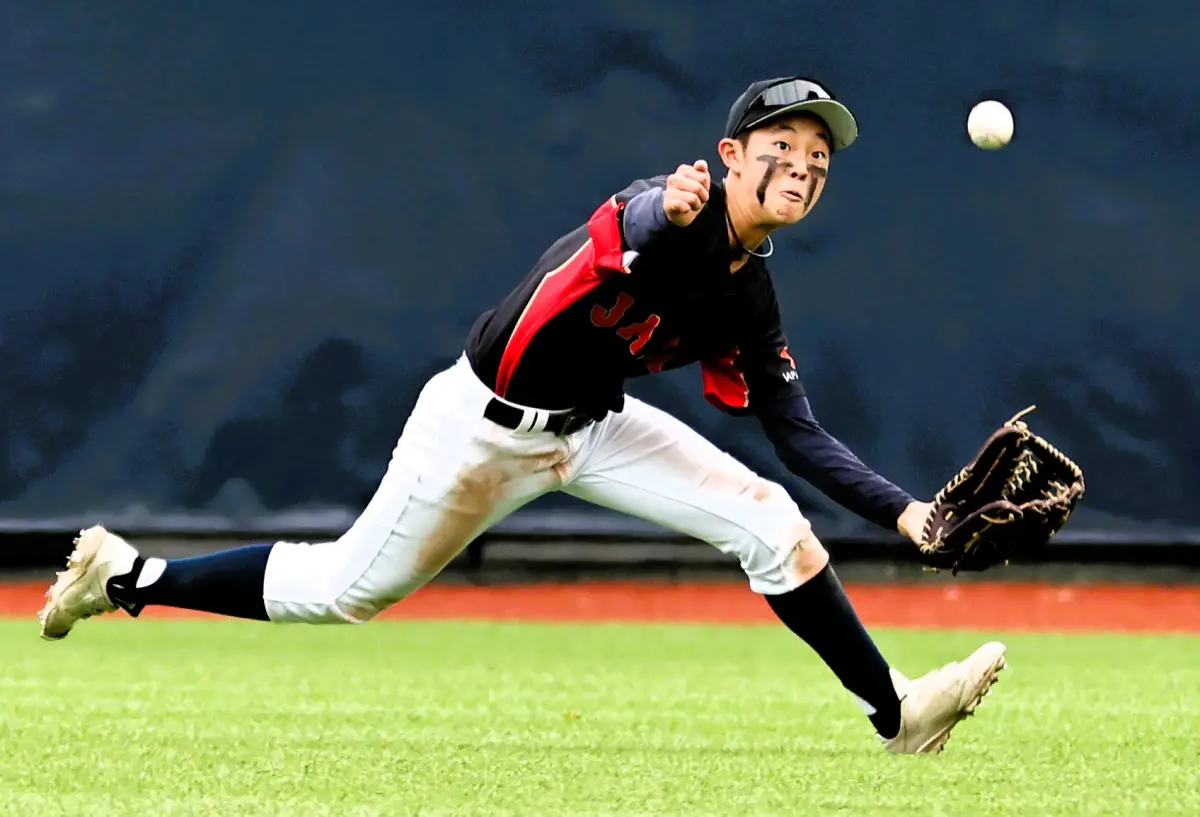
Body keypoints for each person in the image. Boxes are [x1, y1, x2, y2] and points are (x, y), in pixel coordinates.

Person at [38, 75, 1006, 755]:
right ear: (729, 154)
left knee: (773, 522)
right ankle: (128, 574)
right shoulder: (665, 212)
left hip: (592, 427)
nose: (803, 163)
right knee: (346, 588)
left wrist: (908, 514)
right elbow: (620, 230)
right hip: (479, 427)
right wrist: (662, 211)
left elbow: (796, 431)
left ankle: (898, 712)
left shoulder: (750, 296)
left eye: (818, 155)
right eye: (782, 146)